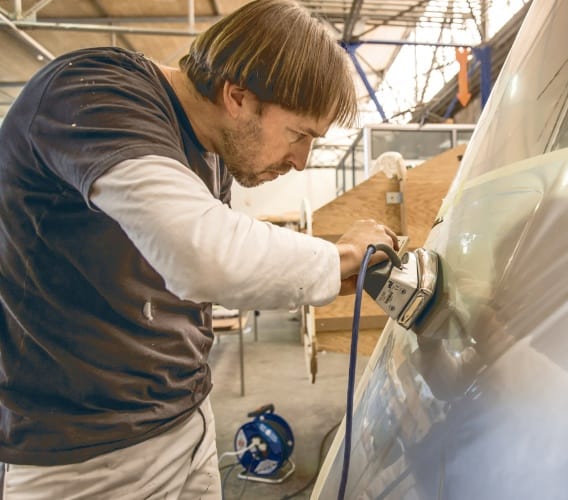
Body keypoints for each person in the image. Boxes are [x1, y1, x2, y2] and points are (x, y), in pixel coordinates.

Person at [0, 0, 398, 497]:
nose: (301, 160)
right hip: (86, 458)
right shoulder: (92, 93)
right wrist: (338, 255)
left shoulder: (210, 151)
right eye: (298, 134)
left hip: (186, 420)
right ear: (236, 96)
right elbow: (203, 255)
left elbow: (204, 272)